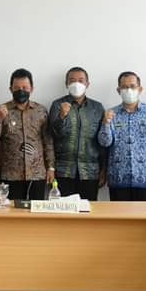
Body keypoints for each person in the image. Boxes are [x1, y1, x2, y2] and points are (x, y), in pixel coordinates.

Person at [0, 68, 54, 200]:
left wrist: (51, 167)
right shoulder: (1, 110)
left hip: (37, 174)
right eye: (16, 88)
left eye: (25, 87)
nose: (21, 91)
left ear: (31, 89)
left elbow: (48, 141)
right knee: (11, 211)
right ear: (10, 89)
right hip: (10, 174)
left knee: (36, 210)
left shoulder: (41, 111)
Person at [98, 71, 146, 201]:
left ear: (140, 89)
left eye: (132, 86)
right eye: (124, 87)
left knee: (145, 214)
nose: (128, 90)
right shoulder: (111, 113)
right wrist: (106, 123)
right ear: (118, 90)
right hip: (118, 177)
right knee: (119, 215)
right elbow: (105, 143)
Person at [48, 67, 105, 201]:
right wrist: (62, 116)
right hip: (63, 171)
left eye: (80, 80)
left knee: (88, 210)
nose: (76, 84)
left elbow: (102, 141)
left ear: (87, 84)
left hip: (90, 172)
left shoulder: (97, 108)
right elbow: (52, 135)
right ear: (66, 84)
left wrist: (103, 170)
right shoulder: (57, 105)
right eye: (72, 80)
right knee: (63, 210)